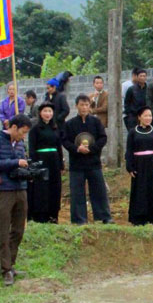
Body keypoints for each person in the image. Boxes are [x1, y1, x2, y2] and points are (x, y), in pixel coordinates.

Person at [0, 114, 32, 286]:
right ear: (13, 127)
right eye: (22, 132)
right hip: (4, 189)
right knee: (4, 230)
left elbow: (22, 162)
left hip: (21, 188)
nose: (23, 136)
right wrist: (16, 162)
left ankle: (11, 264)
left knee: (19, 230)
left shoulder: (20, 144)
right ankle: (5, 269)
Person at [63, 94, 111, 225]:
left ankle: (104, 216)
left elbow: (103, 138)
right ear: (76, 106)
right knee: (77, 191)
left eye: (86, 105)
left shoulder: (96, 122)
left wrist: (93, 148)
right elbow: (65, 141)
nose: (84, 108)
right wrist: (76, 149)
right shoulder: (70, 124)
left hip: (93, 161)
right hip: (77, 163)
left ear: (90, 106)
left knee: (99, 190)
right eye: (82, 105)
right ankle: (80, 219)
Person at [125, 107, 153, 225]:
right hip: (139, 165)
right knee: (140, 190)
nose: (148, 118)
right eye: (146, 115)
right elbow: (129, 150)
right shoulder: (133, 132)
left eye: (150, 116)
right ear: (139, 117)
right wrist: (130, 167)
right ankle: (139, 217)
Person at [27, 103, 64, 223]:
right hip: (41, 160)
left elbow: (59, 147)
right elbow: (32, 148)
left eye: (50, 111)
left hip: (54, 161)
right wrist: (33, 165)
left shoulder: (55, 128)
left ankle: (53, 214)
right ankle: (40, 215)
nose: (48, 114)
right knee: (41, 188)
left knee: (54, 186)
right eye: (45, 111)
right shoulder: (35, 129)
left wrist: (61, 163)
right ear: (40, 113)